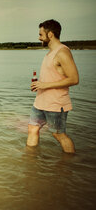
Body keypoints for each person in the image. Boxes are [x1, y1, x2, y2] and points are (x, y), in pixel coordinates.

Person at [27, 19, 79, 153]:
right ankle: (30, 162)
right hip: (40, 102)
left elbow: (74, 79)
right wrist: (39, 85)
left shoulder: (62, 52)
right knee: (32, 128)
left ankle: (70, 164)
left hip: (56, 103)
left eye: (41, 34)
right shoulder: (49, 53)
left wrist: (44, 84)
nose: (39, 38)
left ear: (50, 34)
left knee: (58, 134)